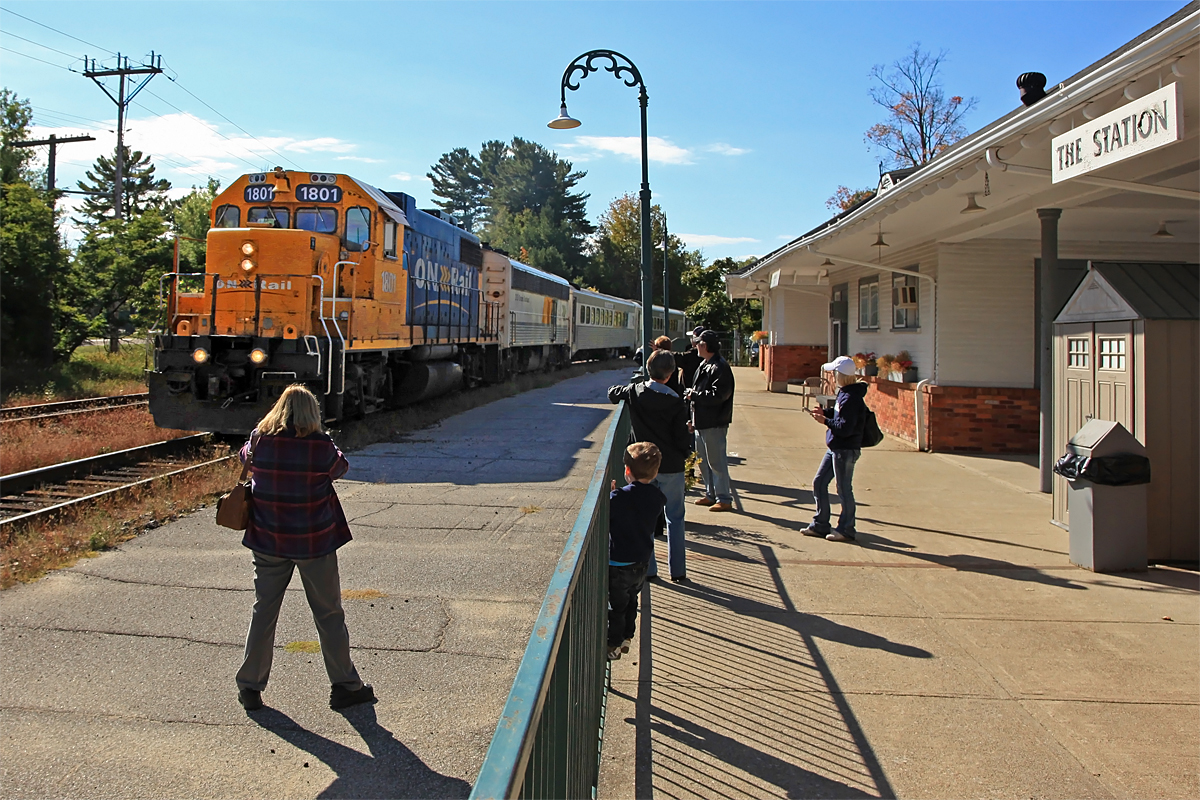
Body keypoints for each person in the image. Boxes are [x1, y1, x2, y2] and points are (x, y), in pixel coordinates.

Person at [234, 384, 375, 712]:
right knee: (328, 613)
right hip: (314, 541)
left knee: (264, 611)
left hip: (267, 539)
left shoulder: (259, 440)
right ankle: (344, 686)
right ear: (312, 412)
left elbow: (245, 458)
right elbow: (340, 468)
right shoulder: (320, 445)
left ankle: (250, 687)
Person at [608, 350, 692, 581]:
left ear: (647, 368)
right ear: (671, 373)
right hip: (671, 465)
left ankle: (650, 569)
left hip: (643, 466)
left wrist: (620, 391)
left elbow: (613, 393)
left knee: (645, 519)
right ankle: (678, 570)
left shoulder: (635, 393)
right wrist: (684, 453)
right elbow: (681, 439)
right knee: (675, 517)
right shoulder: (676, 401)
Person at [607, 442, 666, 660]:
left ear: (627, 470)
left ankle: (613, 643)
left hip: (618, 563)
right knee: (632, 599)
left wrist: (612, 494)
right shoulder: (656, 497)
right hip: (642, 561)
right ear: (655, 471)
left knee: (616, 606)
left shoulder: (619, 498)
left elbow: (613, 514)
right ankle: (627, 636)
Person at [802, 356, 867, 542]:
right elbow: (840, 415)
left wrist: (825, 421)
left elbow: (845, 427)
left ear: (841, 375)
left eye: (834, 373)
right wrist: (827, 413)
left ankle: (847, 528)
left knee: (844, 489)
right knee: (819, 482)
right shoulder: (844, 393)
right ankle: (820, 524)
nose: (832, 377)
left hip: (845, 449)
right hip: (835, 447)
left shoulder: (851, 397)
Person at [685, 330, 736, 512]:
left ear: (705, 345)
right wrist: (692, 418)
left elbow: (719, 395)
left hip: (714, 422)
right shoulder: (705, 364)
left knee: (716, 462)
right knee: (703, 461)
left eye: (698, 342)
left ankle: (724, 497)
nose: (695, 345)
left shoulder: (719, 367)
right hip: (702, 421)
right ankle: (710, 494)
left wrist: (695, 396)